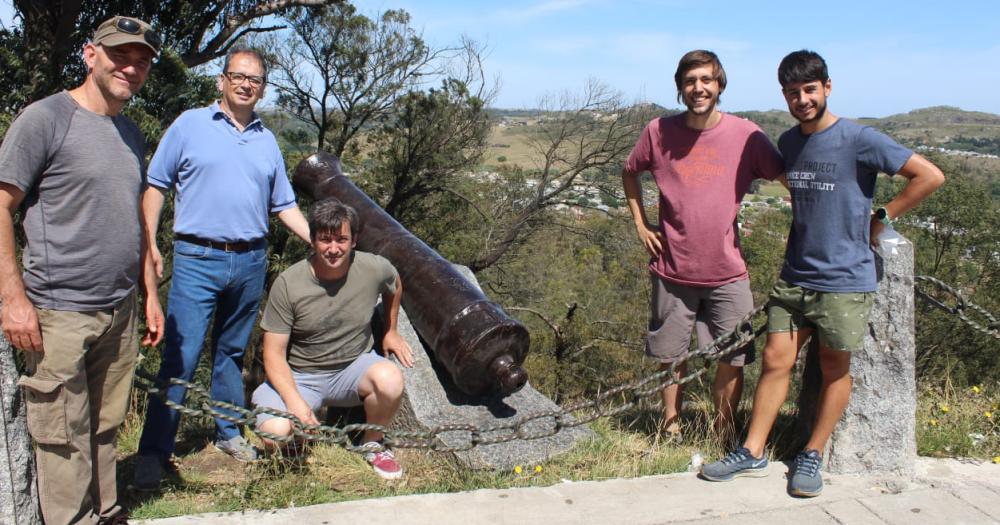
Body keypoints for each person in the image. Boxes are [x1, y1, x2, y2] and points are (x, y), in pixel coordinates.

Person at [701, 50, 945, 497]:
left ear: (827, 88)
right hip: (796, 275)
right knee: (776, 361)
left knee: (835, 368)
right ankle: (753, 450)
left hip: (845, 279)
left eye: (809, 90)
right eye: (793, 93)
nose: (802, 99)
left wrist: (882, 217)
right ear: (785, 96)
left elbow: (928, 176)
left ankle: (812, 453)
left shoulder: (860, 139)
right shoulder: (790, 142)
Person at [0, 16, 164, 524]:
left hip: (119, 308)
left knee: (105, 426)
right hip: (58, 310)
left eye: (141, 61)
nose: (131, 68)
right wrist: (13, 299)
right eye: (120, 55)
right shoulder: (45, 119)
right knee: (62, 435)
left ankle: (107, 511)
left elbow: (135, 216)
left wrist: (150, 293)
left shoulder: (130, 132)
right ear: (90, 55)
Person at [134, 47, 310, 489]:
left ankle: (228, 432)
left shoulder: (266, 140)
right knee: (181, 355)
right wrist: (149, 242)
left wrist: (320, 240)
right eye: (239, 76)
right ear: (222, 81)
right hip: (197, 257)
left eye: (255, 79)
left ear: (262, 88)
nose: (246, 84)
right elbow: (155, 186)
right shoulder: (190, 125)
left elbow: (284, 204)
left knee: (231, 353)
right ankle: (154, 452)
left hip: (250, 260)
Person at [622, 50, 784, 443]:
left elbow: (787, 179)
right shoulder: (658, 131)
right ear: (680, 87)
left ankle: (724, 431)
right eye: (691, 81)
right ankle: (671, 425)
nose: (699, 88)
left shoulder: (746, 134)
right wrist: (641, 225)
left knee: (734, 357)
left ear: (720, 85)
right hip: (672, 268)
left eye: (707, 80)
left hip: (727, 271)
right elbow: (630, 172)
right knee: (670, 356)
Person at [251, 199, 413, 479]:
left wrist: (390, 330)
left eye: (341, 239)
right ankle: (296, 443)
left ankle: (373, 443)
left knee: (390, 379)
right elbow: (273, 355)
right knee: (275, 433)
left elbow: (394, 283)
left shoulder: (373, 268)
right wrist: (296, 404)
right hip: (301, 376)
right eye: (325, 240)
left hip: (352, 369)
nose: (334, 248)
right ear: (312, 240)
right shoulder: (289, 284)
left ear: (354, 240)